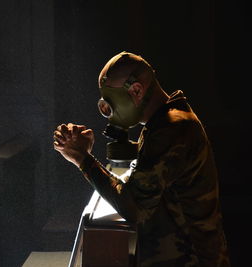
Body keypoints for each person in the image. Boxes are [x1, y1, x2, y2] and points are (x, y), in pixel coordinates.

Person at [53, 51, 230, 267]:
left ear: (136, 90)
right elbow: (155, 165)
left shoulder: (172, 129)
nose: (110, 112)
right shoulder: (164, 122)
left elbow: (133, 207)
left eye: (111, 102)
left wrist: (82, 158)